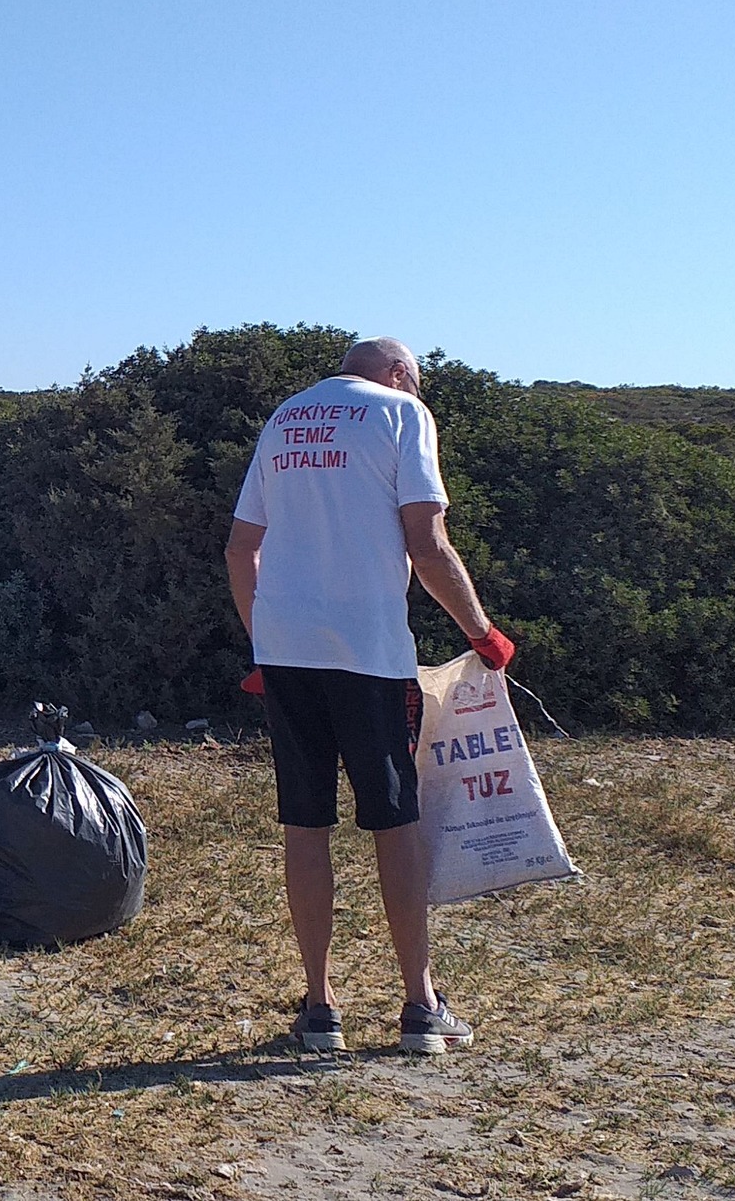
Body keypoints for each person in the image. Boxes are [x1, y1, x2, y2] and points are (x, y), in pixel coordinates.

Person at [223, 336, 514, 1056]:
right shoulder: (402, 415)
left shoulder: (285, 416)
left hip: (287, 649)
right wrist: (483, 633)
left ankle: (320, 1008)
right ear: (397, 374)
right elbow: (429, 544)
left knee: (305, 821)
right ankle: (420, 1005)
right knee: (393, 820)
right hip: (369, 652)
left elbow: (240, 548)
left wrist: (263, 638)